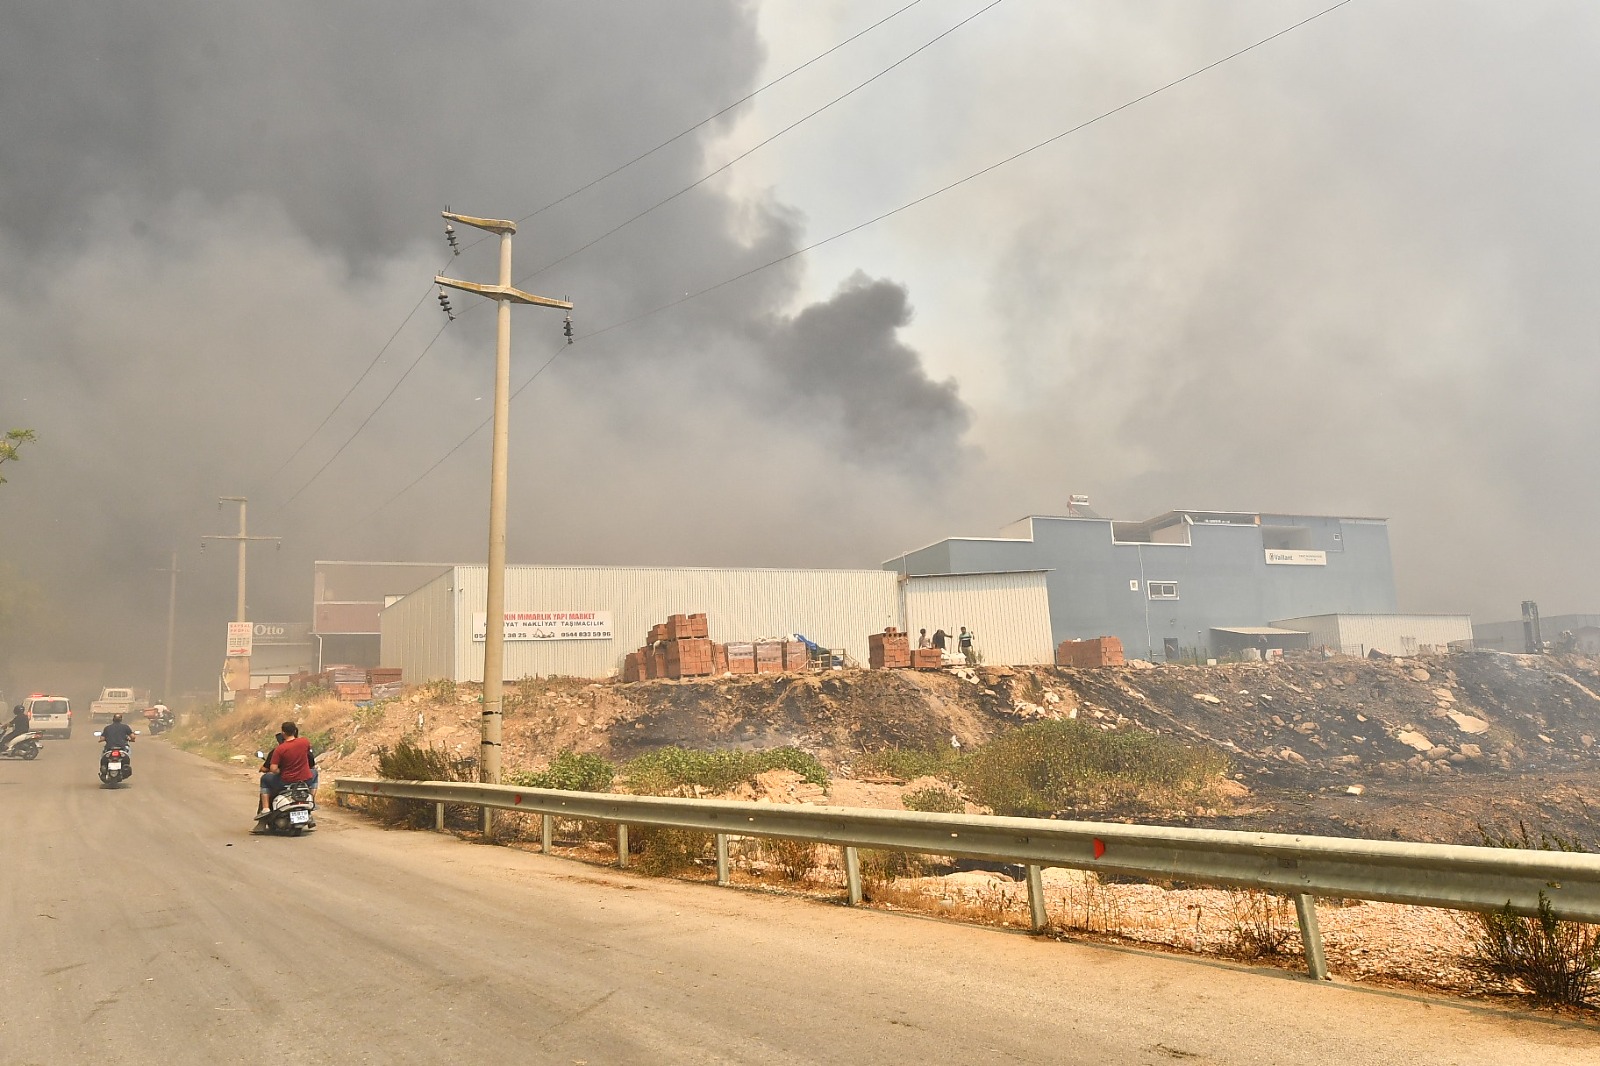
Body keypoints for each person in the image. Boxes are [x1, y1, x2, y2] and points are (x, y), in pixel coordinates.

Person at [257, 721, 315, 821]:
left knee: (265, 779)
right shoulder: (305, 742)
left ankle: (266, 809)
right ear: (295, 731)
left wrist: (279, 771)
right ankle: (313, 800)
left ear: (283, 733)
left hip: (286, 781)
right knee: (315, 774)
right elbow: (309, 758)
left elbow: (273, 769)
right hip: (304, 780)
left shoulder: (279, 749)